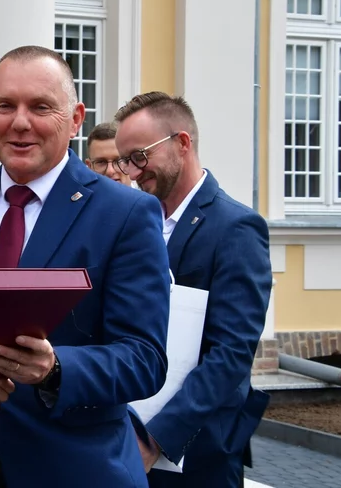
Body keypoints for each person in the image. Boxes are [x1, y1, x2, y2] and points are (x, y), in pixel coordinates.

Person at [0, 46, 172, 488]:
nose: (20, 122)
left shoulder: (125, 214)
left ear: (76, 118)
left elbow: (144, 359)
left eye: (41, 107)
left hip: (78, 474)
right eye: (5, 106)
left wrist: (55, 368)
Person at [113, 92, 272, 488]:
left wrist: (155, 439)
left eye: (139, 156)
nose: (132, 172)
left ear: (182, 143)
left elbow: (231, 353)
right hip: (122, 438)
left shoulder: (236, 227)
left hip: (194, 454)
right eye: (125, 160)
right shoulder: (132, 223)